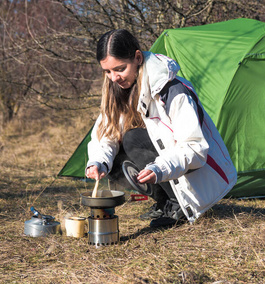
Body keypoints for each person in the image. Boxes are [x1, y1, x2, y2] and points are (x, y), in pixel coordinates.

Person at [85, 29, 237, 228]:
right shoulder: (118, 90)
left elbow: (195, 149)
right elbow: (107, 134)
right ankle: (164, 200)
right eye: (107, 71)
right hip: (166, 166)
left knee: (133, 139)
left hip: (202, 177)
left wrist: (160, 169)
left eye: (120, 69)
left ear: (138, 58)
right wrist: (98, 162)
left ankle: (180, 204)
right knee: (112, 161)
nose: (114, 78)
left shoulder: (173, 90)